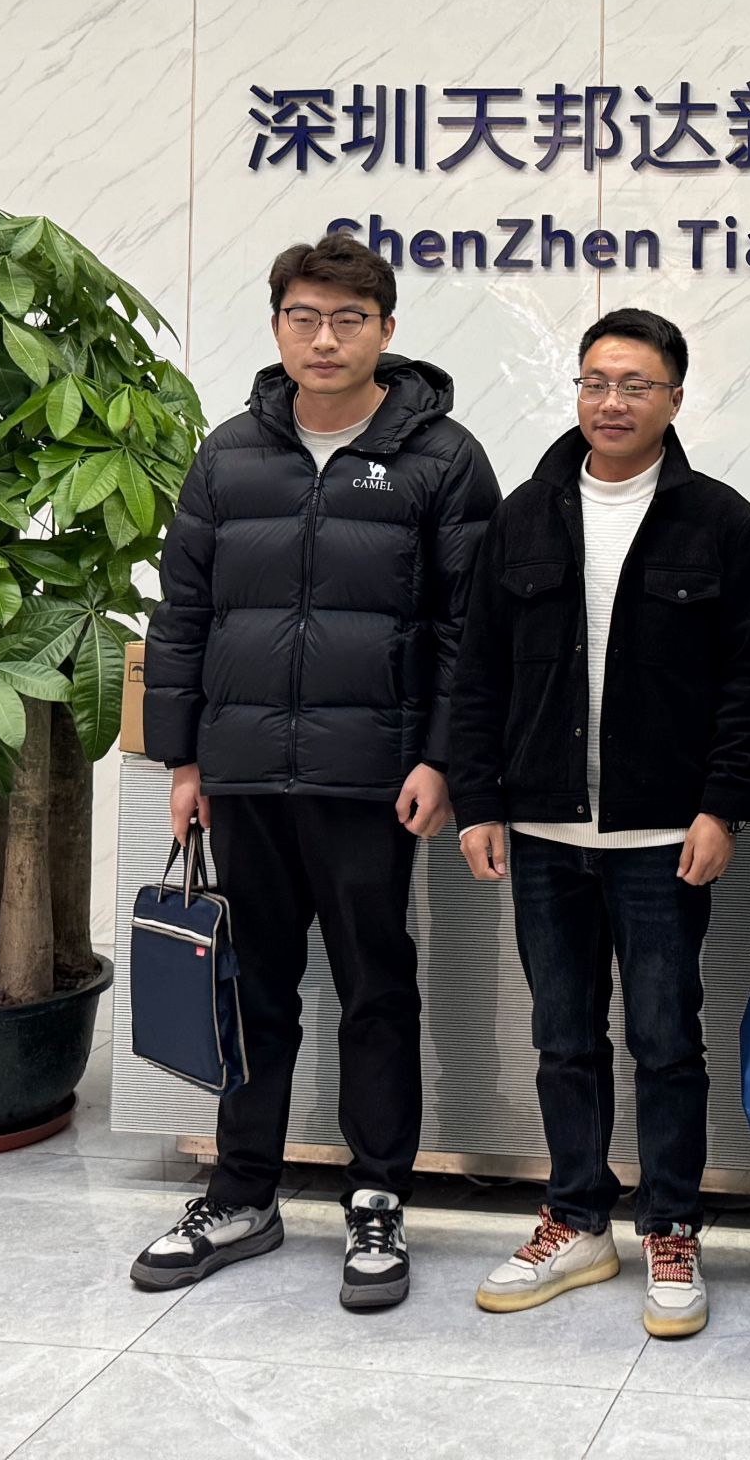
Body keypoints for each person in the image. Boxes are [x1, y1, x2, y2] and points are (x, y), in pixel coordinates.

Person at [129, 232, 500, 1308]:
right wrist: (184, 758)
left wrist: (442, 758)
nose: (325, 338)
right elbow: (185, 615)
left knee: (376, 989)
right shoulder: (229, 454)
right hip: (244, 772)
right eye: (305, 317)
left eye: (348, 319)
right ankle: (242, 1193)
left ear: (386, 330)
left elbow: (467, 630)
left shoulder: (442, 458)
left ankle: (377, 1196)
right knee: (252, 989)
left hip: (371, 777)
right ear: (278, 326)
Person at [443, 308, 750, 1341]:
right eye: (596, 381)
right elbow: (478, 673)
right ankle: (577, 1220)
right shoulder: (524, 517)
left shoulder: (720, 522)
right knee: (561, 1037)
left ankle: (670, 1227)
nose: (612, 401)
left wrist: (723, 806)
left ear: (675, 398)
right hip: (545, 834)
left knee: (665, 1041)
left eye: (636, 384)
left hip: (662, 840)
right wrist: (479, 800)